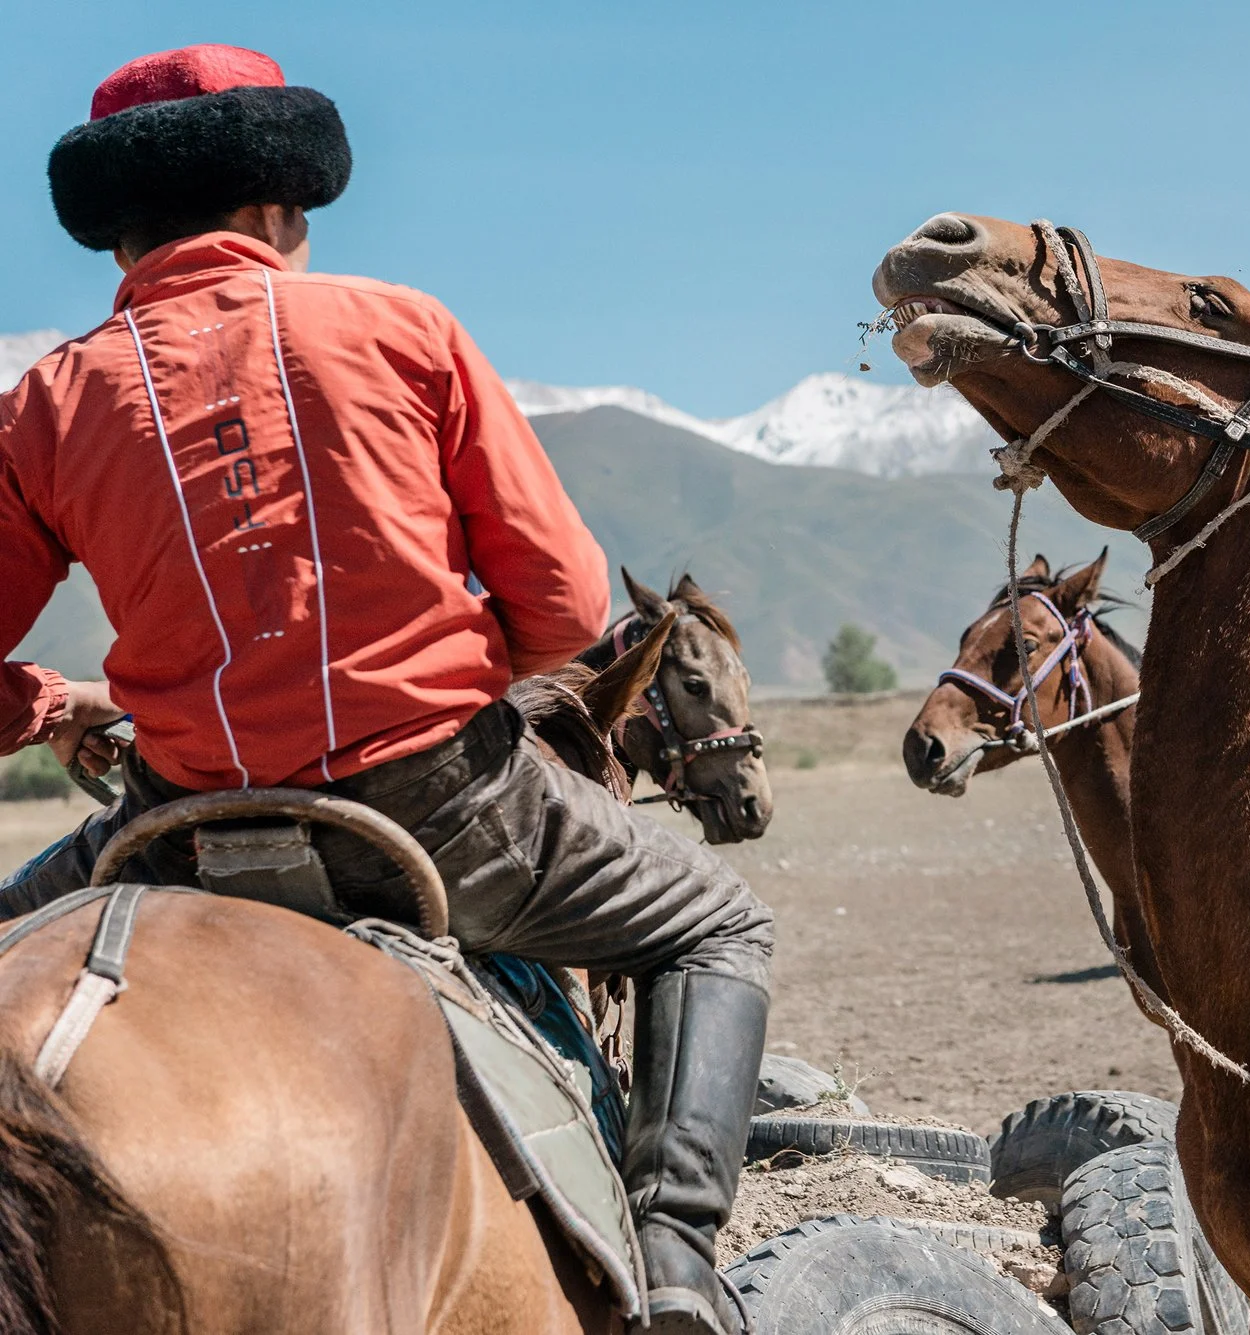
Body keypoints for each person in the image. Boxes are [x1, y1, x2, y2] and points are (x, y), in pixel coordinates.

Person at [0, 45, 769, 1333]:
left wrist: (38, 702)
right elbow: (572, 610)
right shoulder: (400, 328)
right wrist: (443, 672)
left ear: (118, 239)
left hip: (170, 835)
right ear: (278, 210)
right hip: (441, 816)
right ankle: (679, 1260)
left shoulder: (48, 404)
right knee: (713, 924)